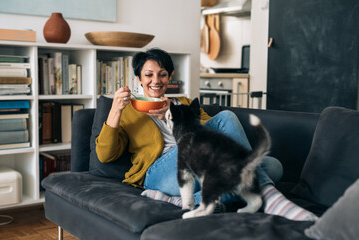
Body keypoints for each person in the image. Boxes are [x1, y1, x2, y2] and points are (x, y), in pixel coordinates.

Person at [95, 48, 317, 221]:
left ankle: (182, 200)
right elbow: (105, 156)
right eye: (149, 74)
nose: (156, 80)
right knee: (228, 117)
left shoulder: (182, 103)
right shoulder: (127, 110)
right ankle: (270, 197)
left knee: (274, 166)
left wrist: (176, 116)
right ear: (139, 78)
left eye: (162, 74)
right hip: (161, 172)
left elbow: (211, 129)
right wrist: (114, 111)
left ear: (170, 76)